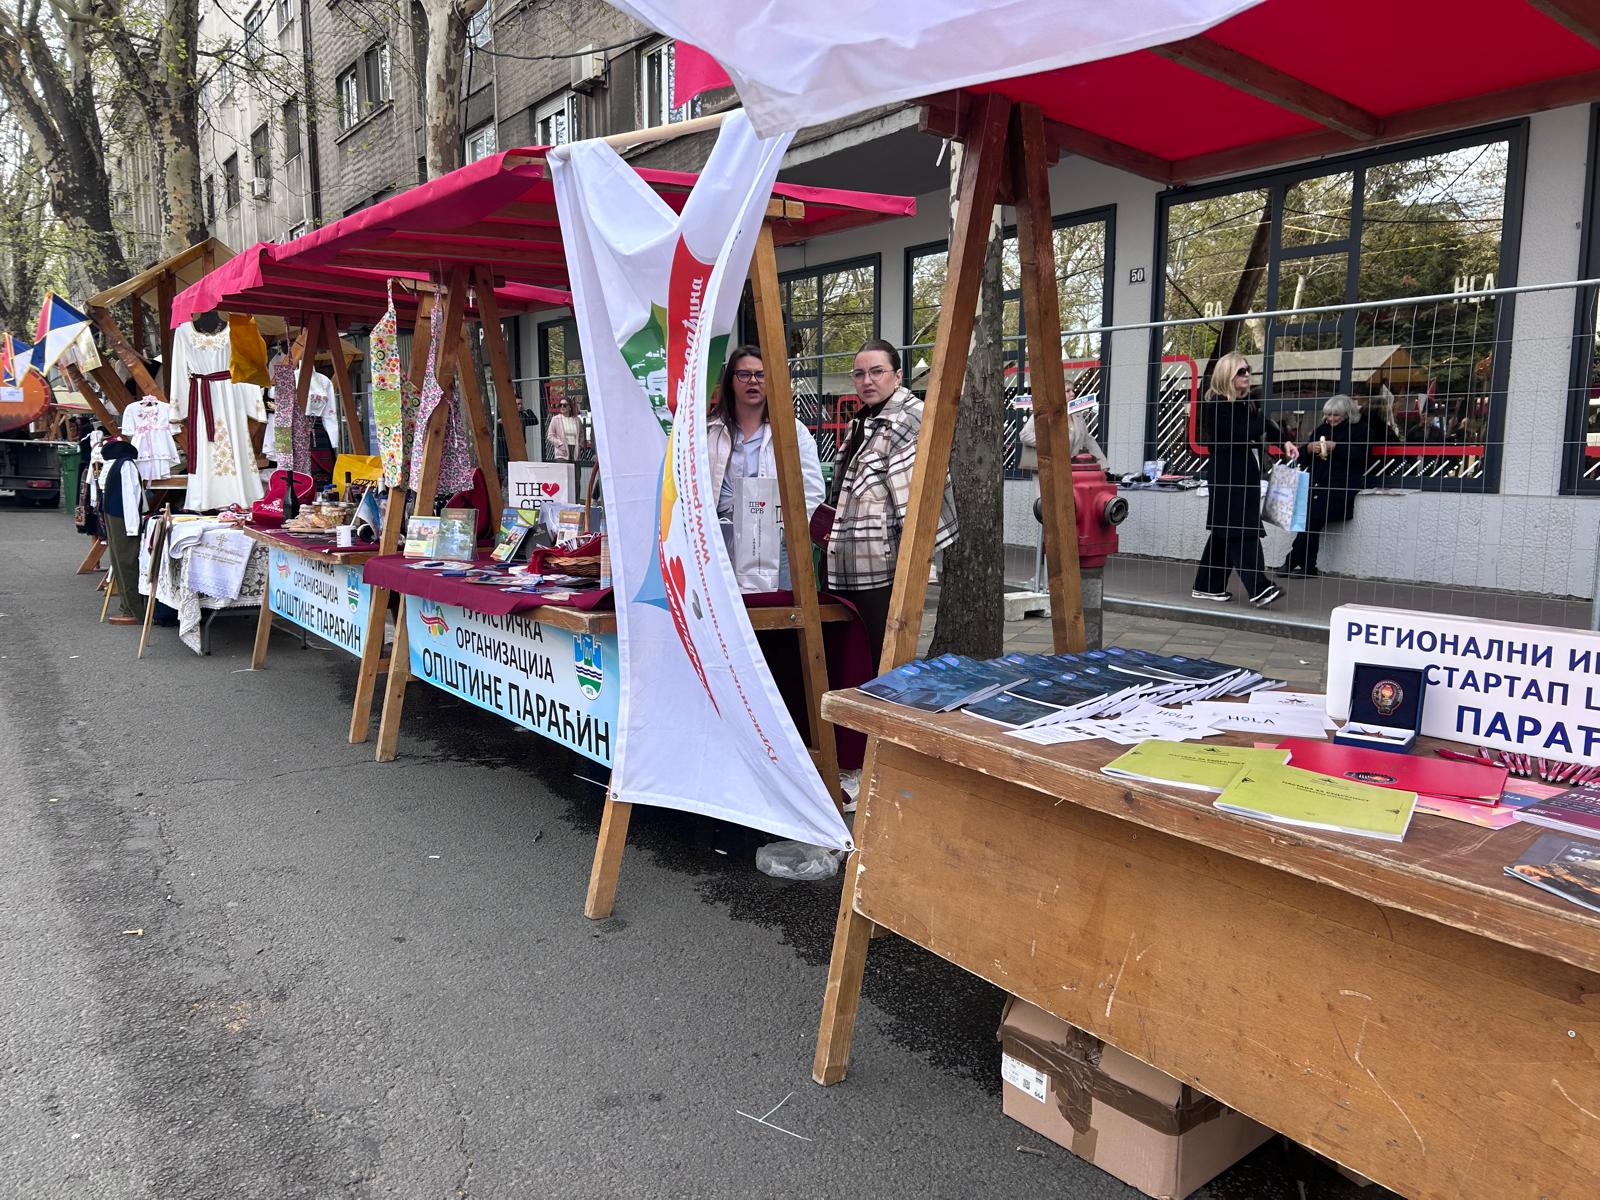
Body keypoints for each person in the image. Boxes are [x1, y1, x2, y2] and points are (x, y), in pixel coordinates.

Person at [824, 338, 957, 663]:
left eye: (877, 371)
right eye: (859, 373)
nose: (867, 380)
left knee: (878, 663)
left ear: (897, 376)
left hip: (882, 569)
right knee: (852, 660)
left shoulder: (908, 421)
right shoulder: (866, 419)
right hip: (851, 565)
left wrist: (912, 574)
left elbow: (917, 508)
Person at [707, 345, 824, 590]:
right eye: (744, 374)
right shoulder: (709, 431)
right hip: (718, 543)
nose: (753, 381)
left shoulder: (793, 432)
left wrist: (789, 537)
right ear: (731, 380)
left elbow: (811, 492)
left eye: (761, 375)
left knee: (777, 617)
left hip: (776, 545)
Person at [1191, 352, 1297, 606]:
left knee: (1224, 531)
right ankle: (1259, 587)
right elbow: (1243, 432)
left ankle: (1207, 586)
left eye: (1248, 370)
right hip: (1228, 475)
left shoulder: (1245, 403)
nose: (1247, 375)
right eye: (1241, 371)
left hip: (1243, 473)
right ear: (1227, 374)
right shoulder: (1218, 404)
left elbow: (1264, 426)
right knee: (1241, 529)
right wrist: (1260, 417)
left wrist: (1284, 441)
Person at [1279, 394, 1370, 578]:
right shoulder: (1321, 429)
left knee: (1311, 520)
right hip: (1317, 483)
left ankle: (1294, 561)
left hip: (1340, 485)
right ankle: (1305, 565)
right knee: (1310, 521)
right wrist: (1308, 449)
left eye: (1336, 415)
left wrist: (1336, 446)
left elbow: (1362, 455)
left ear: (1347, 414)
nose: (1331, 419)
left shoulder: (1361, 430)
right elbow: (1302, 457)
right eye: (1328, 415)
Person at [1018, 377, 1109, 472]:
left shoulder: (1077, 414)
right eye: (1068, 391)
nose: (1073, 394)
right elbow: (1024, 435)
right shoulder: (1044, 411)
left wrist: (1102, 463)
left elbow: (1087, 439)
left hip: (1071, 468)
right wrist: (1050, 442)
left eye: (1073, 390)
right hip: (1047, 469)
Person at [545, 394, 579, 462]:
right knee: (564, 472)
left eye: (565, 405)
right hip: (562, 451)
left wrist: (580, 446)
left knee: (576, 472)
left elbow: (581, 435)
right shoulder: (555, 419)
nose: (562, 407)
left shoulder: (576, 420)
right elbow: (550, 435)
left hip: (575, 450)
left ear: (570, 407)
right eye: (560, 405)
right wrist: (560, 444)